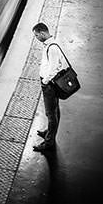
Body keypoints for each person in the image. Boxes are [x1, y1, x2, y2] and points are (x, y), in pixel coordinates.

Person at [32, 23, 68, 152]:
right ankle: (49, 131)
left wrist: (46, 81)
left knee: (51, 113)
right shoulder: (51, 44)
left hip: (50, 85)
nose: (36, 37)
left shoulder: (52, 48)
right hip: (50, 84)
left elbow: (54, 68)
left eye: (36, 35)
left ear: (42, 33)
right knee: (54, 109)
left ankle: (49, 142)